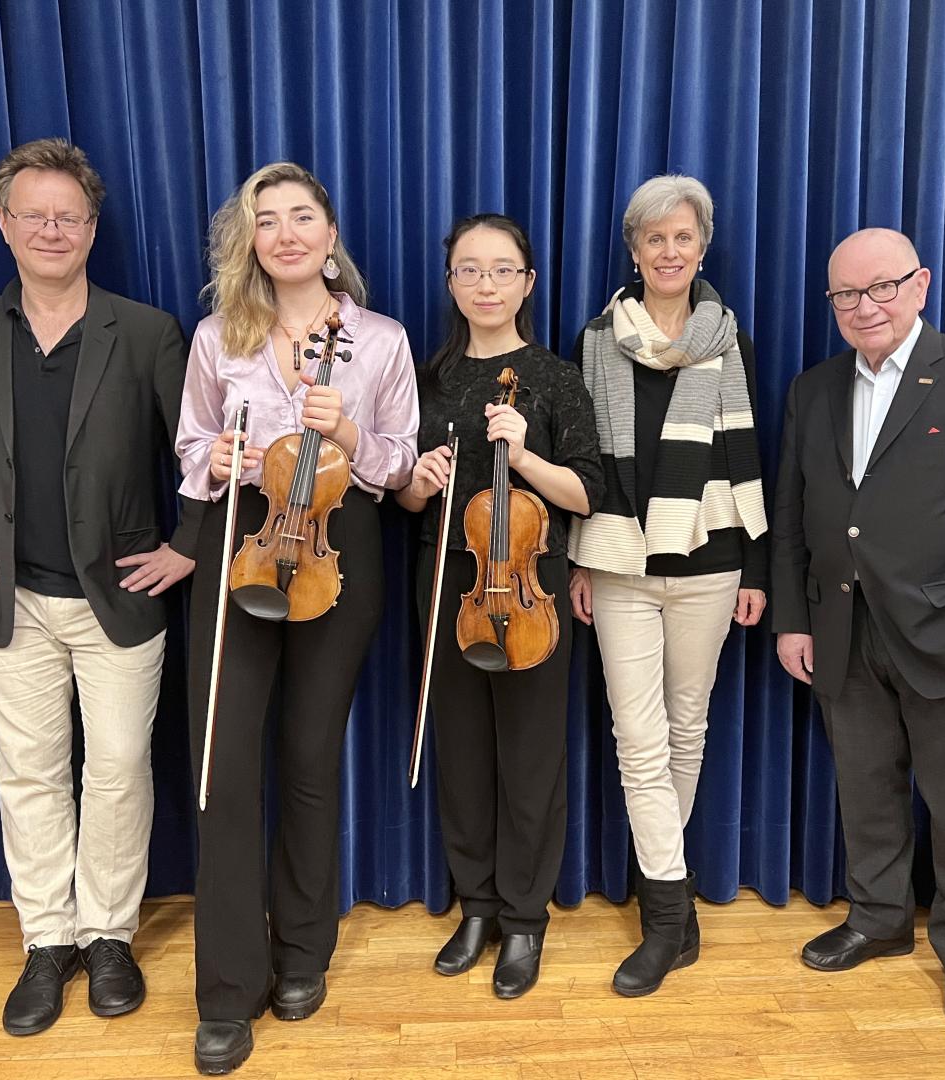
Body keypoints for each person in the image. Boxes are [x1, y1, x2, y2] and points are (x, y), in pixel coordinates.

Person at [0, 138, 200, 1036]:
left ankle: (108, 937)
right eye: (36, 214)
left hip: (121, 600)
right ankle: (46, 941)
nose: (53, 229)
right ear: (5, 225)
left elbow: (199, 454)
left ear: (93, 228)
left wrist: (188, 544)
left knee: (118, 771)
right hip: (10, 601)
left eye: (70, 215)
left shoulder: (145, 331)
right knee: (27, 773)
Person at [771, 227, 945, 1035]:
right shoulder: (813, 388)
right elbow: (794, 516)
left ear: (920, 285)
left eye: (882, 288)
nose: (865, 308)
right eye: (846, 296)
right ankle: (880, 918)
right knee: (865, 793)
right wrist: (795, 618)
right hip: (843, 630)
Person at [176, 162, 418, 1075]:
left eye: (302, 216)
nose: (286, 233)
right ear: (250, 239)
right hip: (241, 537)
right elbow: (189, 446)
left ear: (328, 231)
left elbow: (398, 465)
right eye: (266, 220)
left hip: (338, 546)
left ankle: (305, 953)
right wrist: (226, 452)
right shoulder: (215, 336)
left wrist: (351, 437)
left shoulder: (381, 339)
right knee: (223, 766)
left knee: (312, 759)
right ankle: (227, 993)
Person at [567, 175, 769, 997]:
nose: (670, 251)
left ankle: (668, 894)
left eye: (684, 237)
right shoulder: (596, 338)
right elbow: (583, 458)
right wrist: (582, 559)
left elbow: (753, 454)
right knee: (638, 739)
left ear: (703, 245)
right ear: (635, 250)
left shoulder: (728, 338)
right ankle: (666, 919)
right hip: (620, 565)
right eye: (655, 239)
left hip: (712, 564)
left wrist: (755, 568)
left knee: (689, 728)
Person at [397, 213, 602, 1000]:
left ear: (528, 282)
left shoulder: (553, 377)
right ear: (451, 282)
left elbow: (589, 492)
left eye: (502, 269)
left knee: (528, 757)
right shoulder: (432, 375)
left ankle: (524, 918)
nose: (485, 283)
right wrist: (420, 481)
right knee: (463, 752)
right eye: (469, 270)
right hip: (447, 577)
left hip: (529, 587)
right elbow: (403, 494)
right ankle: (476, 904)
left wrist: (527, 452)